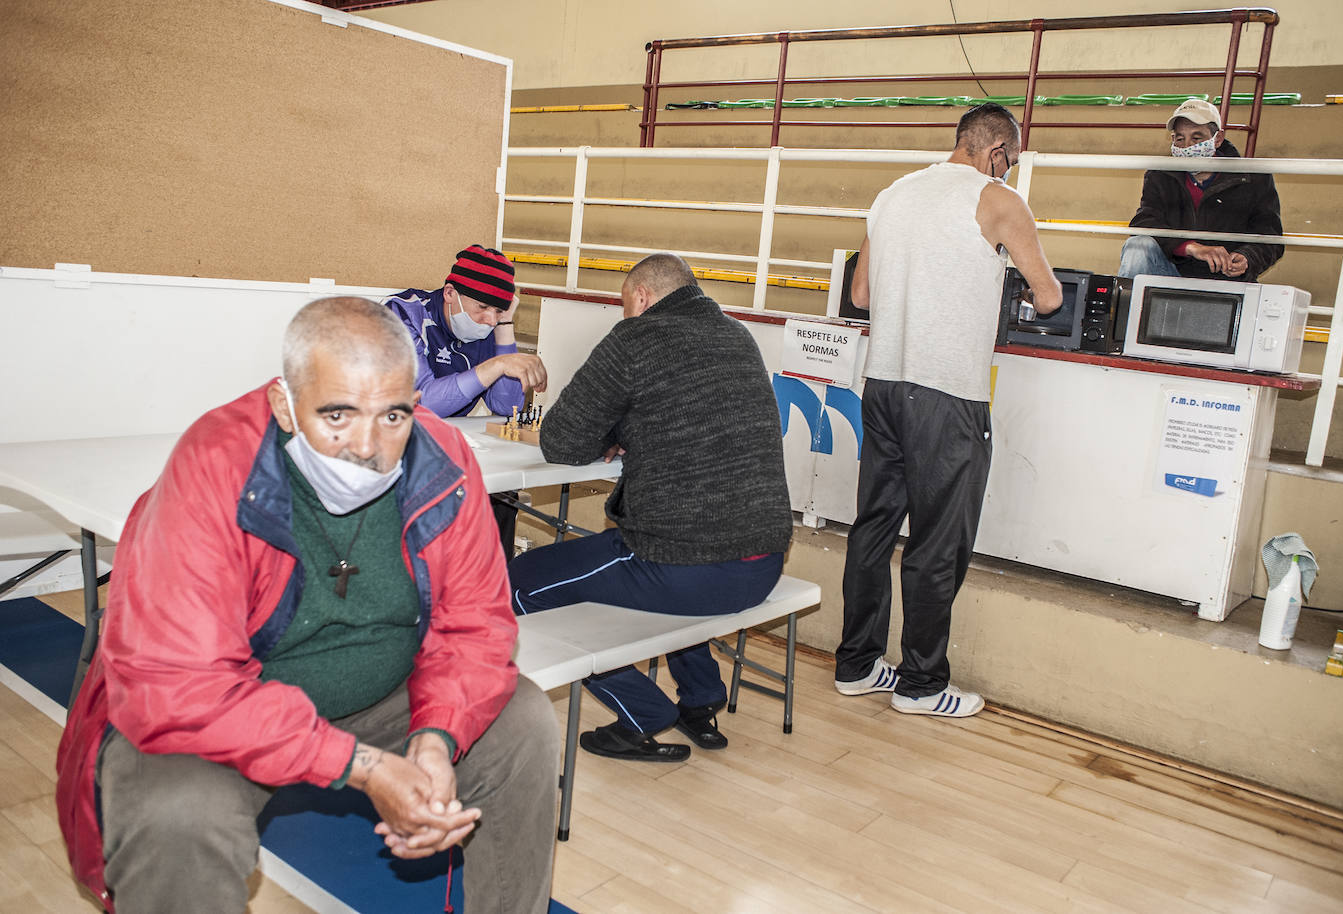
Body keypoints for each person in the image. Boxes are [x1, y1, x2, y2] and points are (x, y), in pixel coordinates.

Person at [55, 297, 559, 914]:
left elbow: (476, 628)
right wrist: (362, 767)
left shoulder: (445, 463)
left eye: (393, 416)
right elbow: (179, 684)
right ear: (284, 404)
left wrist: (435, 738)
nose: (367, 447)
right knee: (176, 813)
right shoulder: (215, 466)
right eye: (337, 415)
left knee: (522, 724)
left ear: (414, 403)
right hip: (227, 708)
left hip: (384, 697)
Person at [507, 253, 793, 762]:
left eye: (624, 305)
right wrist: (631, 427)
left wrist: (614, 431)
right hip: (762, 563)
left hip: (684, 572)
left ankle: (642, 712)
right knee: (682, 546)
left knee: (514, 583)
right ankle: (701, 699)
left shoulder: (635, 338)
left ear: (640, 297)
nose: (624, 316)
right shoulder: (736, 335)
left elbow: (562, 440)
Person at [834, 103, 1062, 718]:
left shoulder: (892, 195)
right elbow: (1047, 297)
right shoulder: (997, 200)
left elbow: (860, 294)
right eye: (1010, 160)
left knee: (873, 528)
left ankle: (857, 666)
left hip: (884, 384)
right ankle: (921, 684)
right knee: (938, 542)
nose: (1009, 170)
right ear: (996, 152)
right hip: (948, 393)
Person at [383, 244, 548, 558]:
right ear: (450, 293)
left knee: (501, 494)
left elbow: (505, 406)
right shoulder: (402, 313)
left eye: (499, 311)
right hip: (393, 448)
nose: (489, 320)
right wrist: (495, 366)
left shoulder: (491, 327)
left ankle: (493, 581)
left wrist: (505, 328)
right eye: (482, 308)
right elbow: (422, 404)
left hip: (447, 448)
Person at [1118, 98, 1283, 283]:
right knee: (1138, 245)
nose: (1187, 146)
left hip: (1226, 280)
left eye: (1196, 138)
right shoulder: (1160, 175)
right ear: (1172, 140)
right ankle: (1127, 302)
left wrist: (1247, 258)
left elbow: (1269, 237)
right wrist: (1190, 247)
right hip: (1174, 275)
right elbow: (1145, 221)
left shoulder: (1254, 178)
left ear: (1217, 139)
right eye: (1180, 139)